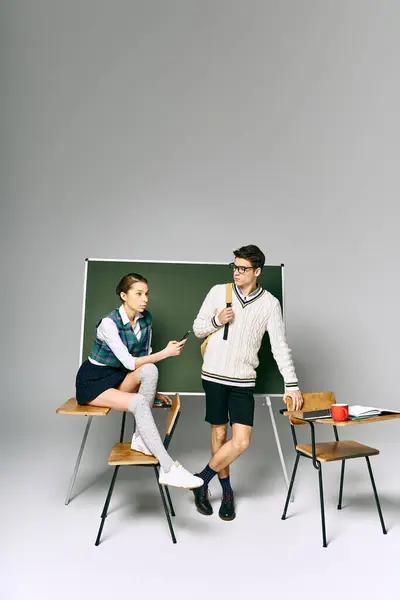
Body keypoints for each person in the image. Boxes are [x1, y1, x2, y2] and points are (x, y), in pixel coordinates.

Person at [192, 245, 303, 519]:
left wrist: (292, 383)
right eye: (235, 266)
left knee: (241, 441)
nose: (237, 272)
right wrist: (217, 320)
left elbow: (279, 347)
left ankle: (201, 480)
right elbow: (197, 329)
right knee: (219, 435)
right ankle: (227, 492)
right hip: (214, 375)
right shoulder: (219, 292)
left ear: (257, 271)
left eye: (243, 268)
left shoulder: (269, 304)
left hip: (243, 380)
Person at [75, 272, 202, 490]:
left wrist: (154, 389)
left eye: (146, 293)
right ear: (124, 295)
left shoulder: (146, 319)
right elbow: (129, 363)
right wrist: (166, 353)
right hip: (94, 381)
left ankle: (141, 439)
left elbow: (145, 361)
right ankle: (168, 467)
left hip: (117, 378)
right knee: (139, 402)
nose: (145, 299)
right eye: (139, 293)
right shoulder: (109, 324)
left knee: (150, 370)